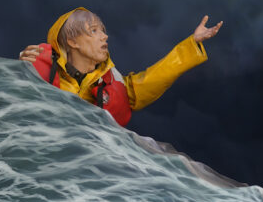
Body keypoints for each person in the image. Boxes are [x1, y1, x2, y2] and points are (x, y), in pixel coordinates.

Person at [18, 8, 222, 126]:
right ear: (72, 41)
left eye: (103, 31)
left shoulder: (111, 81)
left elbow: (151, 80)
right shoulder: (35, 65)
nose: (104, 36)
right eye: (94, 31)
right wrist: (19, 67)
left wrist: (192, 43)